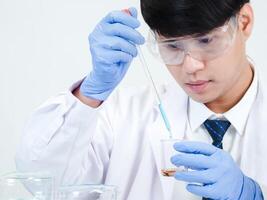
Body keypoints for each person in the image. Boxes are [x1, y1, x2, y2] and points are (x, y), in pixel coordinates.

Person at [15, 0, 266, 199]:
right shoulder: (121, 114)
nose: (191, 66)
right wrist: (89, 94)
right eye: (173, 46)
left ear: (244, 22)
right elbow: (41, 179)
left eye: (206, 40)